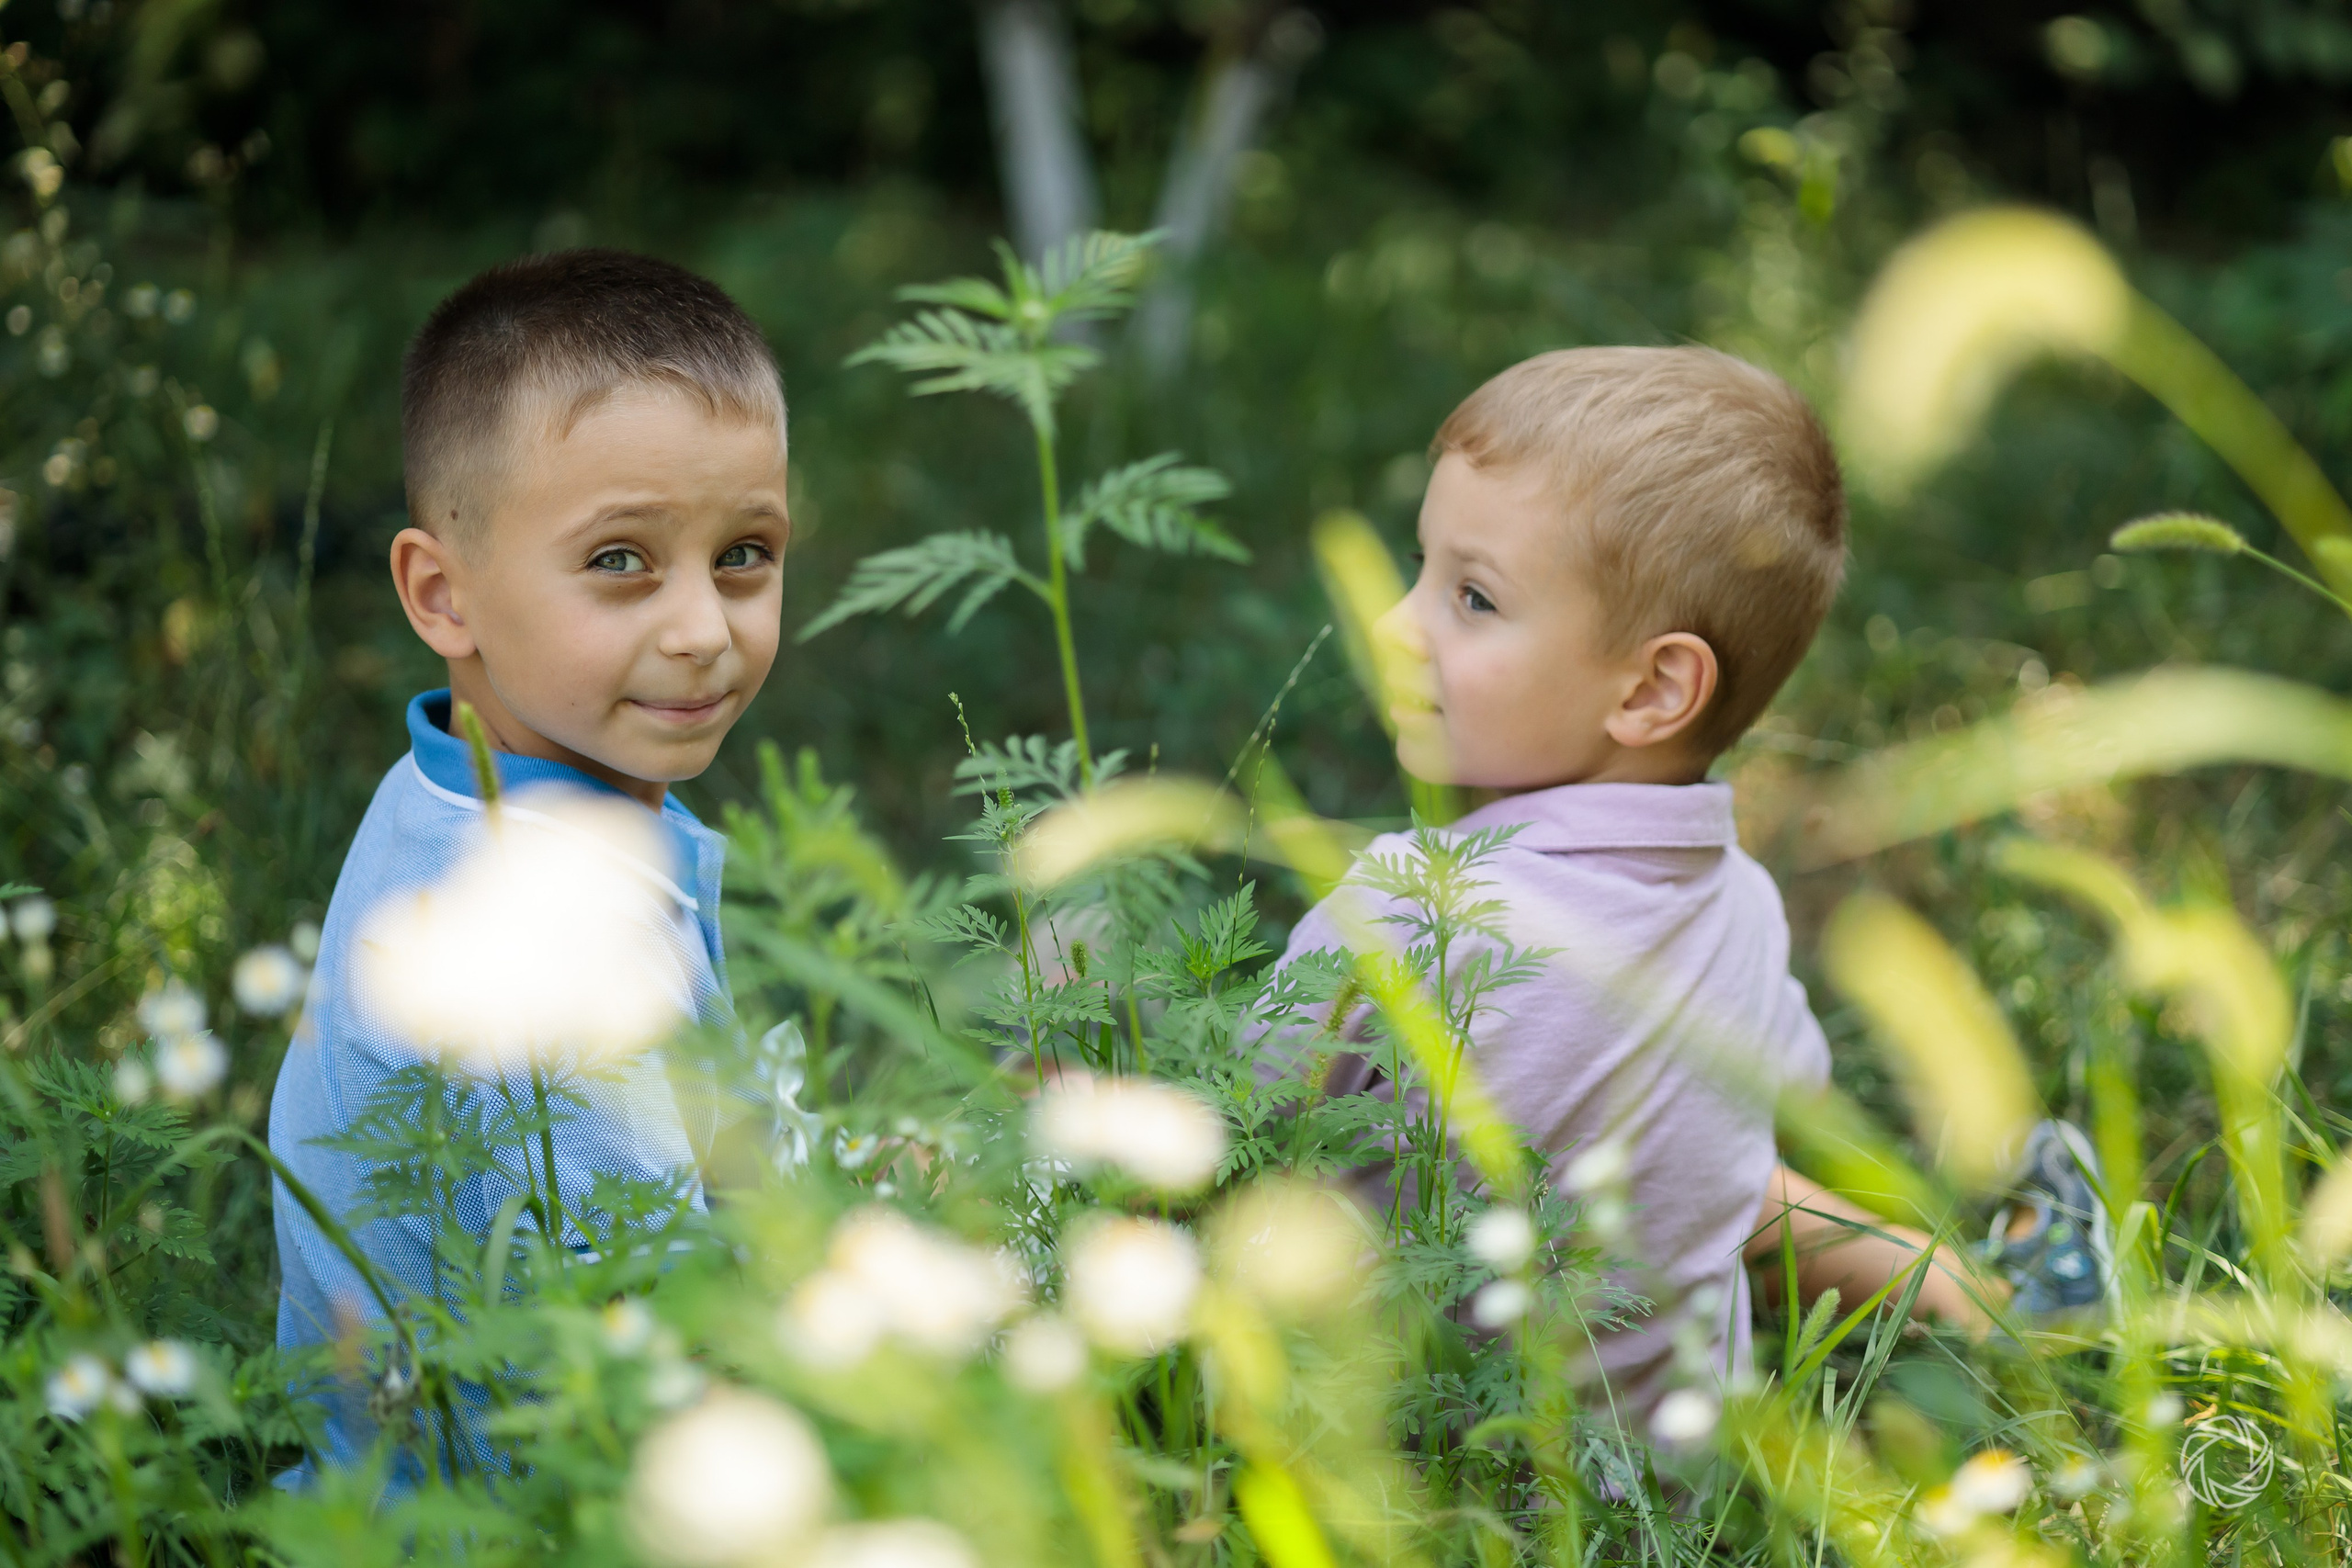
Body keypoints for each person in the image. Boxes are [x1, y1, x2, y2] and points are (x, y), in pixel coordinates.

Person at [1268, 346, 2077, 1438]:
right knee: (1728, 1172)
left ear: (1651, 689)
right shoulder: (1741, 907)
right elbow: (1788, 1089)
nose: (1393, 625)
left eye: (1470, 597)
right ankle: (1996, 1306)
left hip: (1393, 1459)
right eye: (1419, 567)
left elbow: (1227, 1126)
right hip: (1665, 1499)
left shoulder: (1399, 908)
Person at [268, 249, 791, 1471]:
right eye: (621, 560)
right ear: (442, 594)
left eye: (746, 553)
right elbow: (657, 1361)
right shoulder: (546, 947)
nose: (704, 628)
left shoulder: (440, 785)